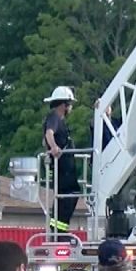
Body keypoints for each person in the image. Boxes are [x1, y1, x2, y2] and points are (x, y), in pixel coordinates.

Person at [43, 85, 79, 234]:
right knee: (68, 195)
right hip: (61, 168)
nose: (71, 108)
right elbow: (49, 133)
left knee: (68, 196)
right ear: (64, 105)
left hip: (65, 168)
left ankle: (60, 231)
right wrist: (54, 148)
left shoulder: (60, 120)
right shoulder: (54, 118)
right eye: (69, 104)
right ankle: (58, 232)